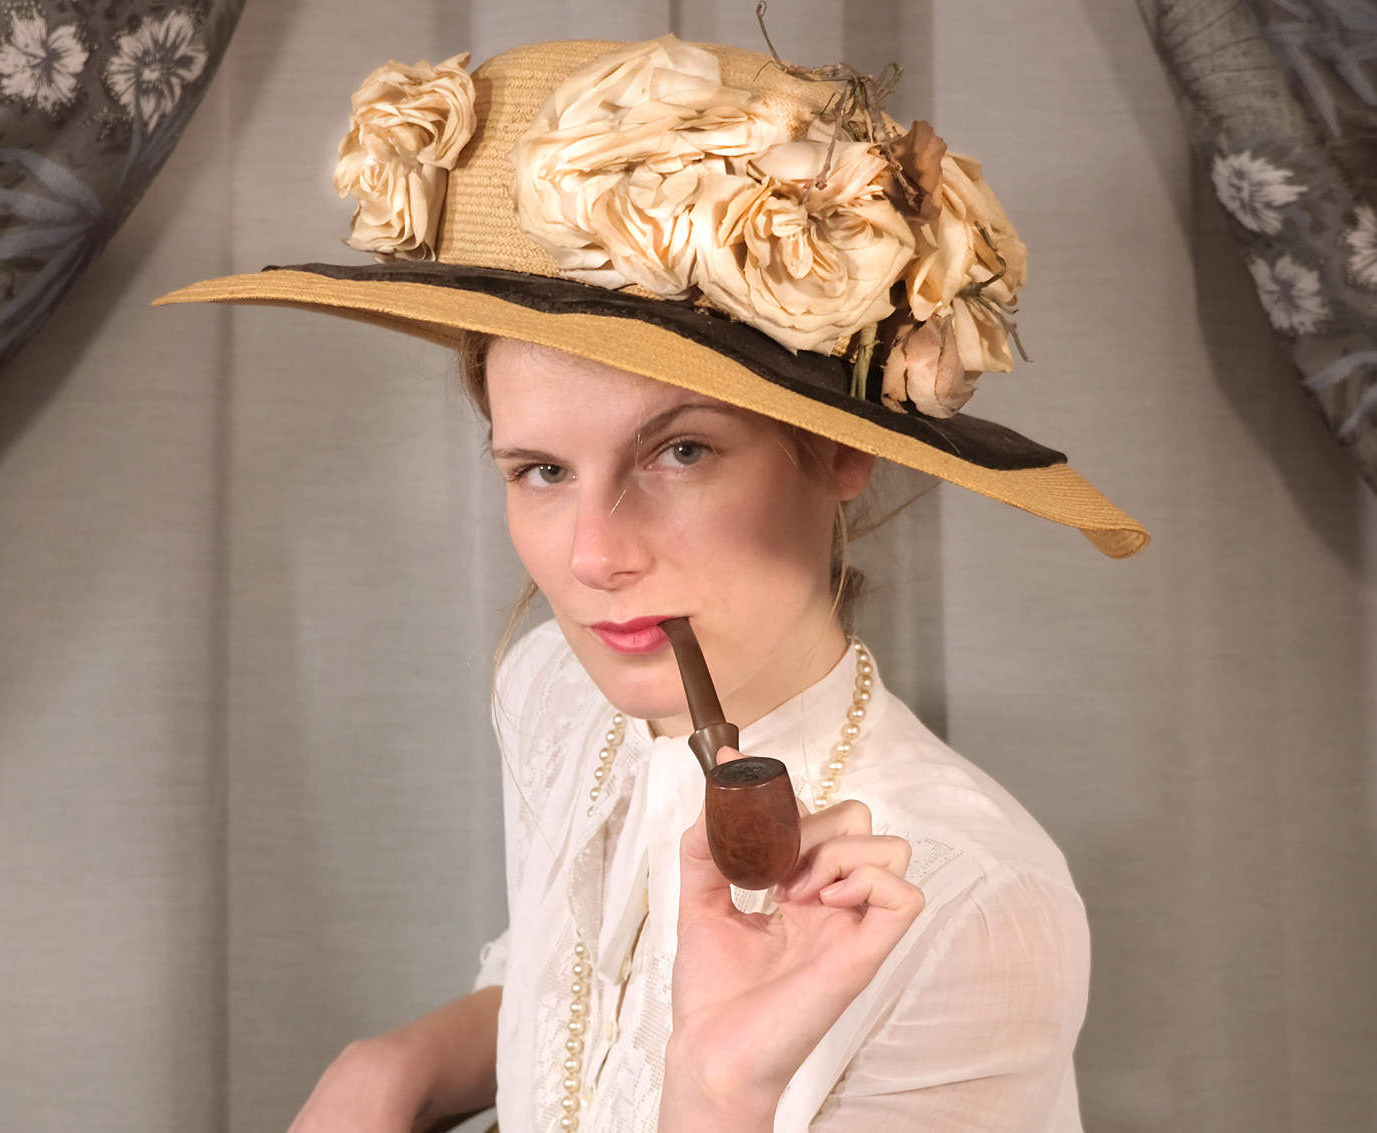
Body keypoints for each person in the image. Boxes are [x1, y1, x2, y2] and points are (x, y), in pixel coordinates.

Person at [158, 32, 1149, 1133]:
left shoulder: (971, 906)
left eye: (678, 452)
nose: (593, 555)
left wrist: (719, 1089)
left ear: (838, 451)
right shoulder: (557, 691)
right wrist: (396, 1065)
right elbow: (567, 995)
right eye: (540, 470)